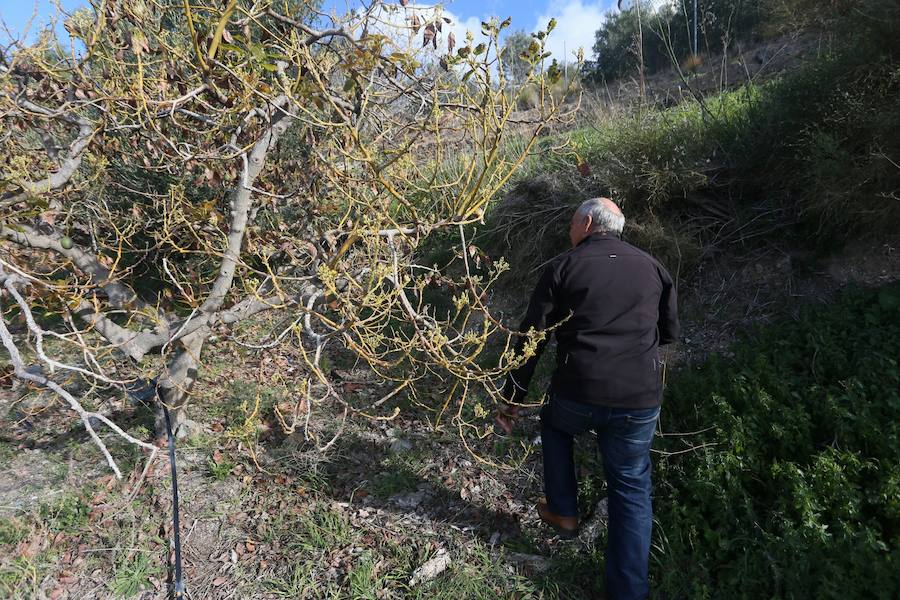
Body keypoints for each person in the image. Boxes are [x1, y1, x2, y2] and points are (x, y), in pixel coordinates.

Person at [495, 197, 679, 600]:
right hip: (638, 398)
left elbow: (532, 337)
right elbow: (668, 333)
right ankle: (628, 593)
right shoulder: (653, 267)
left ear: (587, 223)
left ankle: (563, 509)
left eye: (572, 223)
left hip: (579, 390)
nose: (569, 230)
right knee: (631, 490)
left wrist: (512, 396)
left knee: (555, 425)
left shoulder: (563, 267)